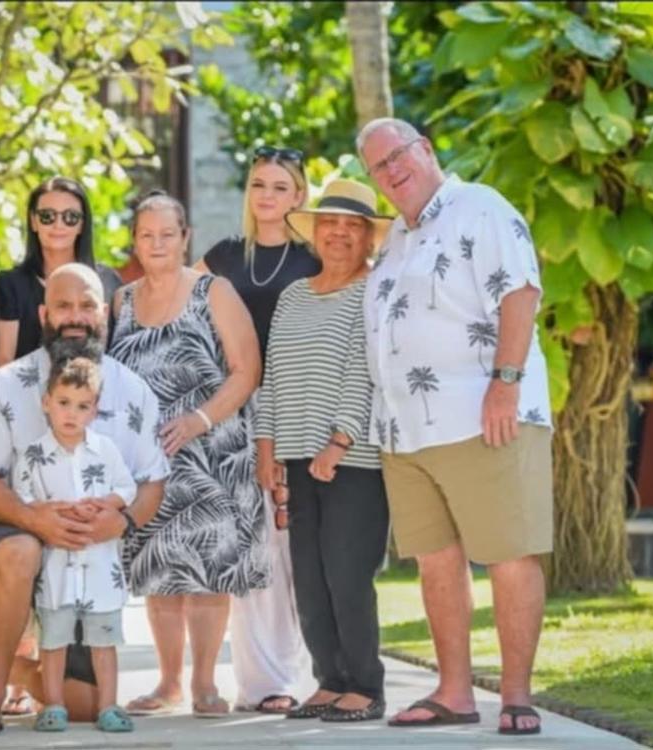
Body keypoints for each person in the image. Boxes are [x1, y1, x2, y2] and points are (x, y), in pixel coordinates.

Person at [358, 118, 553, 736]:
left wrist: (505, 382)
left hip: (483, 415)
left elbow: (520, 292)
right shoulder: (395, 237)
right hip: (407, 433)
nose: (392, 170)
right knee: (436, 562)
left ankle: (517, 697)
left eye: (398, 155)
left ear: (426, 150)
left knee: (509, 552)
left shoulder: (479, 207)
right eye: (378, 166)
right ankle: (454, 692)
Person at [0, 263, 168, 739]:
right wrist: (32, 518)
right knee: (21, 550)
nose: (76, 317)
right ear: (44, 314)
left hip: (90, 552)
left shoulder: (134, 391)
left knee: (86, 707)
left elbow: (153, 481)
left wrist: (124, 522)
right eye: (64, 306)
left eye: (87, 306)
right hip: (11, 527)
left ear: (104, 314)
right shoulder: (6, 384)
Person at [109, 192, 268, 719]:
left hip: (212, 455)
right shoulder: (121, 302)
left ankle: (204, 682)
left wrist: (199, 419)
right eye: (146, 235)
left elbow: (247, 370)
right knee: (158, 573)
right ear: (135, 241)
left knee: (207, 574)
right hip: (149, 464)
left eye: (167, 234)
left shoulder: (213, 291)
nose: (156, 243)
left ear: (185, 238)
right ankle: (168, 682)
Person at [255, 178, 392, 722]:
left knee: (346, 573)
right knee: (309, 579)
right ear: (315, 233)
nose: (339, 233)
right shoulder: (292, 295)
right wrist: (267, 448)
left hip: (352, 460)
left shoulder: (374, 291)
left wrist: (340, 440)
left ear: (369, 238)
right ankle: (330, 681)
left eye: (352, 226)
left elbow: (366, 371)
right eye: (330, 223)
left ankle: (366, 685)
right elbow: (272, 377)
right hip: (294, 457)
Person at [195, 146, 318, 714]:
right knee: (254, 545)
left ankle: (303, 673)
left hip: (301, 408)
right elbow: (182, 311)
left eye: (280, 186)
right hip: (235, 410)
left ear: (300, 195)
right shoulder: (224, 255)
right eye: (259, 185)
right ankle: (264, 683)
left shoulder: (315, 257)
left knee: (298, 544)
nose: (267, 196)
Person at [16, 356, 136, 734]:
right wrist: (51, 510)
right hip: (56, 568)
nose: (72, 413)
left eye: (83, 406)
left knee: (103, 641)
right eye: (64, 402)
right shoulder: (33, 455)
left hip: (99, 566)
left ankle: (109, 707)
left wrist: (105, 505)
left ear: (95, 410)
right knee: (54, 641)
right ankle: (53, 705)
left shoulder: (106, 450)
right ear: (46, 402)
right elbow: (22, 499)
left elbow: (127, 487)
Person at [0, 176, 122, 364]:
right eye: (47, 216)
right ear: (33, 221)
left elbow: (117, 354)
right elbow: (4, 360)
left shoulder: (109, 281)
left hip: (98, 382)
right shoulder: (11, 284)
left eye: (70, 217)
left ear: (82, 224)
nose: (58, 225)